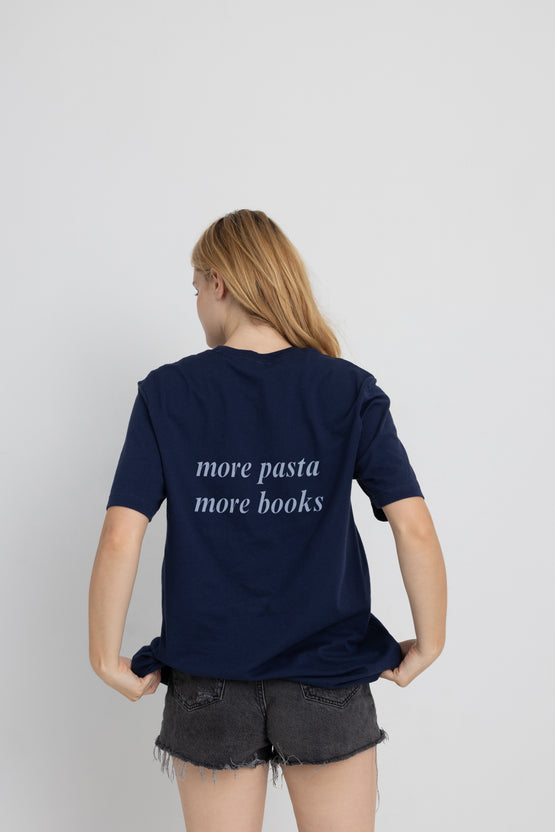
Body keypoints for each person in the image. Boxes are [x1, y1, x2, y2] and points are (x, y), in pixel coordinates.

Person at [89, 209, 447, 832]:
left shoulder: (167, 393)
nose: (196, 305)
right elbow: (412, 524)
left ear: (220, 282)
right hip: (327, 673)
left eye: (195, 288)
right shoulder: (347, 390)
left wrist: (104, 657)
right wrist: (430, 639)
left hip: (209, 676)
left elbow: (122, 534)